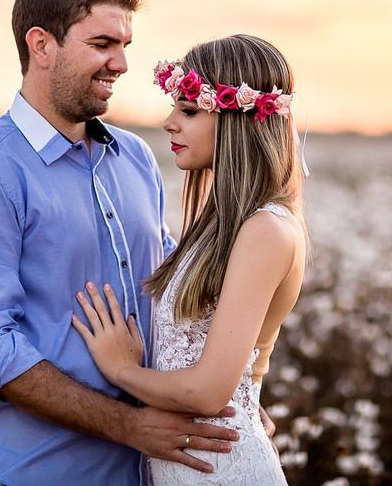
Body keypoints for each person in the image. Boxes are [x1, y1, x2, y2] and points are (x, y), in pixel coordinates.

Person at [0, 0, 245, 486]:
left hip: (140, 473)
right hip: (25, 474)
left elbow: (165, 299)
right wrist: (130, 426)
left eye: (125, 47)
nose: (120, 63)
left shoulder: (136, 158)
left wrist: (234, 403)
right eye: (102, 45)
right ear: (41, 45)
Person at [72, 34, 308, 485]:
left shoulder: (265, 230)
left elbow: (206, 392)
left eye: (189, 110)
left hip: (222, 468)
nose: (168, 123)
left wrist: (121, 370)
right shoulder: (223, 225)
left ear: (238, 121)